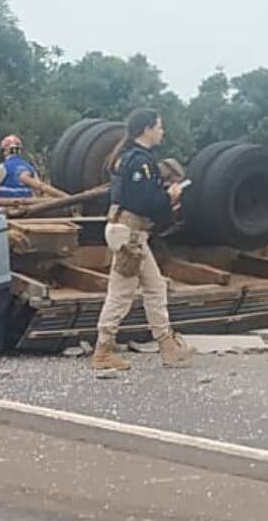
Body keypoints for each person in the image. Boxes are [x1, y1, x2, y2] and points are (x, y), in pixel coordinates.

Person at [92, 108, 194, 372]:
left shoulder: (126, 158)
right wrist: (169, 196)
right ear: (147, 129)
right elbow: (143, 203)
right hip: (131, 236)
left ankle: (167, 346)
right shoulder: (141, 163)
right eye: (159, 127)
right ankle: (103, 351)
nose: (162, 131)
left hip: (128, 233)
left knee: (155, 287)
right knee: (121, 293)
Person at [0, 134, 65, 198]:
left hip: (6, 208)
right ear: (19, 150)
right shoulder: (30, 168)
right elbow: (39, 192)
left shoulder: (4, 167)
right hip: (28, 208)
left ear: (5, 151)